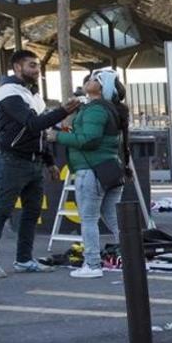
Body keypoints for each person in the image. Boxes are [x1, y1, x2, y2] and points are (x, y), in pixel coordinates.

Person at [0, 49, 79, 278]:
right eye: (31, 65)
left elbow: (42, 133)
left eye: (37, 66)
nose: (37, 70)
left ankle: (24, 259)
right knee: (2, 210)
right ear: (17, 67)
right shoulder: (9, 93)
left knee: (32, 211)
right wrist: (63, 111)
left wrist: (48, 161)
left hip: (34, 163)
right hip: (12, 161)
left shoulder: (33, 95)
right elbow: (33, 124)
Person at [48, 70, 126, 278]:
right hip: (108, 170)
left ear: (101, 88)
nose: (87, 81)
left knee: (89, 219)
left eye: (93, 79)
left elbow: (88, 140)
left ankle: (92, 265)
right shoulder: (107, 109)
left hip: (91, 170)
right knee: (114, 218)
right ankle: (131, 258)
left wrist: (57, 136)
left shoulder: (94, 110)